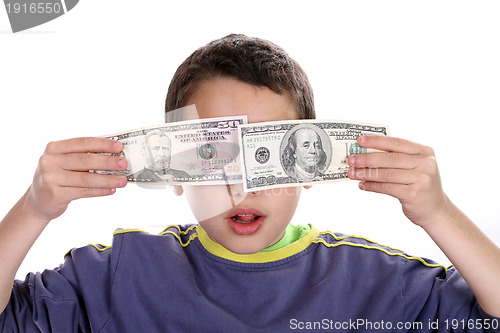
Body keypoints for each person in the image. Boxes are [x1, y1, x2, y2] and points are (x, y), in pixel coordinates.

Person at [0, 34, 499, 332]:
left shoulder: (376, 283)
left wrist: (439, 213)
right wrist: (33, 209)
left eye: (264, 156)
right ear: (172, 166)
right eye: (214, 155)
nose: (242, 189)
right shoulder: (115, 276)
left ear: (309, 162)